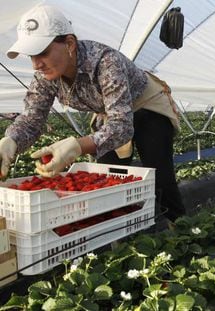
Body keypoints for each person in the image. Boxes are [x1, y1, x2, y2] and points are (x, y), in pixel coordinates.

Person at [0, 5, 185, 222]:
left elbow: (122, 126)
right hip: (110, 114)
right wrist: (10, 140)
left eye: (42, 52)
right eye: (31, 55)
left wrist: (78, 145)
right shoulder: (45, 76)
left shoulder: (106, 62)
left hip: (147, 107)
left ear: (69, 43)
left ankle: (181, 230)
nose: (36, 64)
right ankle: (119, 236)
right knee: (103, 178)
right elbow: (32, 119)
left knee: (160, 177)